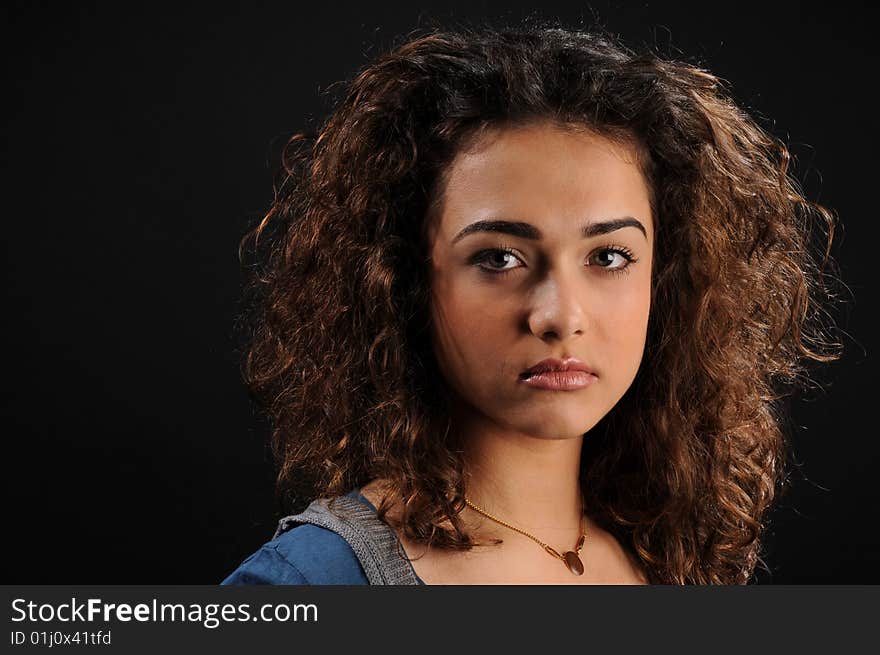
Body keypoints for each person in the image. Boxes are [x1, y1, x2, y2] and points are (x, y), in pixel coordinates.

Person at [222, 21, 842, 585]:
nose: (560, 317)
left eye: (608, 257)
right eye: (499, 259)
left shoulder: (670, 559)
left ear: (668, 279)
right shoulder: (312, 583)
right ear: (403, 279)